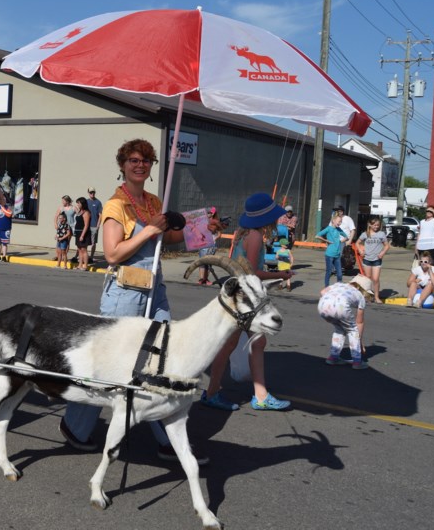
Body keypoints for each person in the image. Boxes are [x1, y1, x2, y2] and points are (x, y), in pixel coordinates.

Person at [59, 138, 209, 464]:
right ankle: (75, 427)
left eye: (146, 160)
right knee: (109, 369)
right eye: (134, 160)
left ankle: (169, 439)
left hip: (156, 291)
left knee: (165, 363)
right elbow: (113, 253)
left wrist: (200, 228)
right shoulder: (116, 205)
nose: (140, 165)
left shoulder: (154, 201)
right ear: (123, 165)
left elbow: (167, 239)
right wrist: (147, 230)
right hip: (125, 293)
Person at [201, 192, 292, 412]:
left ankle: (257, 394)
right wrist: (281, 275)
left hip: (241, 296)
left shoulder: (246, 234)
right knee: (231, 345)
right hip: (244, 298)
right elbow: (253, 272)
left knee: (253, 343)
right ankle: (215, 393)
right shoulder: (254, 237)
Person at [319, 275, 374, 370]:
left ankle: (333, 357)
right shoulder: (360, 296)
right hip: (341, 307)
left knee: (339, 329)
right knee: (353, 331)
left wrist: (332, 301)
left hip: (323, 306)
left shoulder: (339, 285)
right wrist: (360, 342)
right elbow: (359, 321)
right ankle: (357, 362)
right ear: (364, 290)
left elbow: (322, 292)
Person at [357, 217, 389, 303]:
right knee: (368, 279)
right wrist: (360, 250)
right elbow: (357, 242)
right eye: (374, 225)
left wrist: (382, 253)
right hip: (367, 259)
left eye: (378, 225)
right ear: (370, 225)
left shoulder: (381, 234)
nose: (376, 227)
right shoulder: (365, 234)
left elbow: (386, 245)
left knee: (375, 279)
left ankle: (377, 297)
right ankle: (368, 296)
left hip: (377, 259)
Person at [316, 214, 347, 287]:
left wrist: (340, 241)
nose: (340, 223)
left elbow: (346, 237)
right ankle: (326, 287)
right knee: (329, 272)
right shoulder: (328, 228)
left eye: (341, 222)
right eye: (339, 221)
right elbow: (317, 235)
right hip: (329, 255)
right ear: (333, 221)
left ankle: (339, 287)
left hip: (337, 255)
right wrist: (326, 240)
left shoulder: (339, 229)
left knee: (339, 274)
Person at [197, 207, 222, 286]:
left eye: (209, 212)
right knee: (202, 262)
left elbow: (219, 234)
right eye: (207, 212)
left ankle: (206, 279)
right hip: (203, 244)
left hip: (211, 245)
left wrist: (213, 239)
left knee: (209, 263)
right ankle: (201, 279)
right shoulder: (203, 221)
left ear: (213, 213)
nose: (207, 214)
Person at [55, 195, 76, 263]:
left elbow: (79, 215)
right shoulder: (61, 208)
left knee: (67, 242)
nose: (62, 202)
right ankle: (59, 256)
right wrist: (55, 224)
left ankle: (64, 256)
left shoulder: (73, 208)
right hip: (61, 227)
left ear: (67, 201)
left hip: (69, 227)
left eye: (63, 201)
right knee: (59, 242)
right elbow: (56, 216)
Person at [73, 197, 92, 270]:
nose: (77, 204)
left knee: (84, 249)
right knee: (79, 249)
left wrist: (82, 235)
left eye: (78, 203)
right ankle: (80, 265)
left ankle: (85, 265)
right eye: (77, 203)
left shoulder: (86, 212)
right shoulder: (80, 212)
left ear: (82, 204)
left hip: (83, 233)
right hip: (78, 232)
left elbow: (86, 225)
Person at [86, 187, 103, 262]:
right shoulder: (86, 202)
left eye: (93, 192)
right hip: (86, 225)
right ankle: (84, 256)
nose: (92, 194)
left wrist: (98, 226)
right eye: (90, 192)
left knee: (93, 242)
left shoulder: (98, 202)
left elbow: (100, 215)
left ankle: (91, 257)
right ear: (88, 193)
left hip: (94, 226)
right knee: (85, 242)